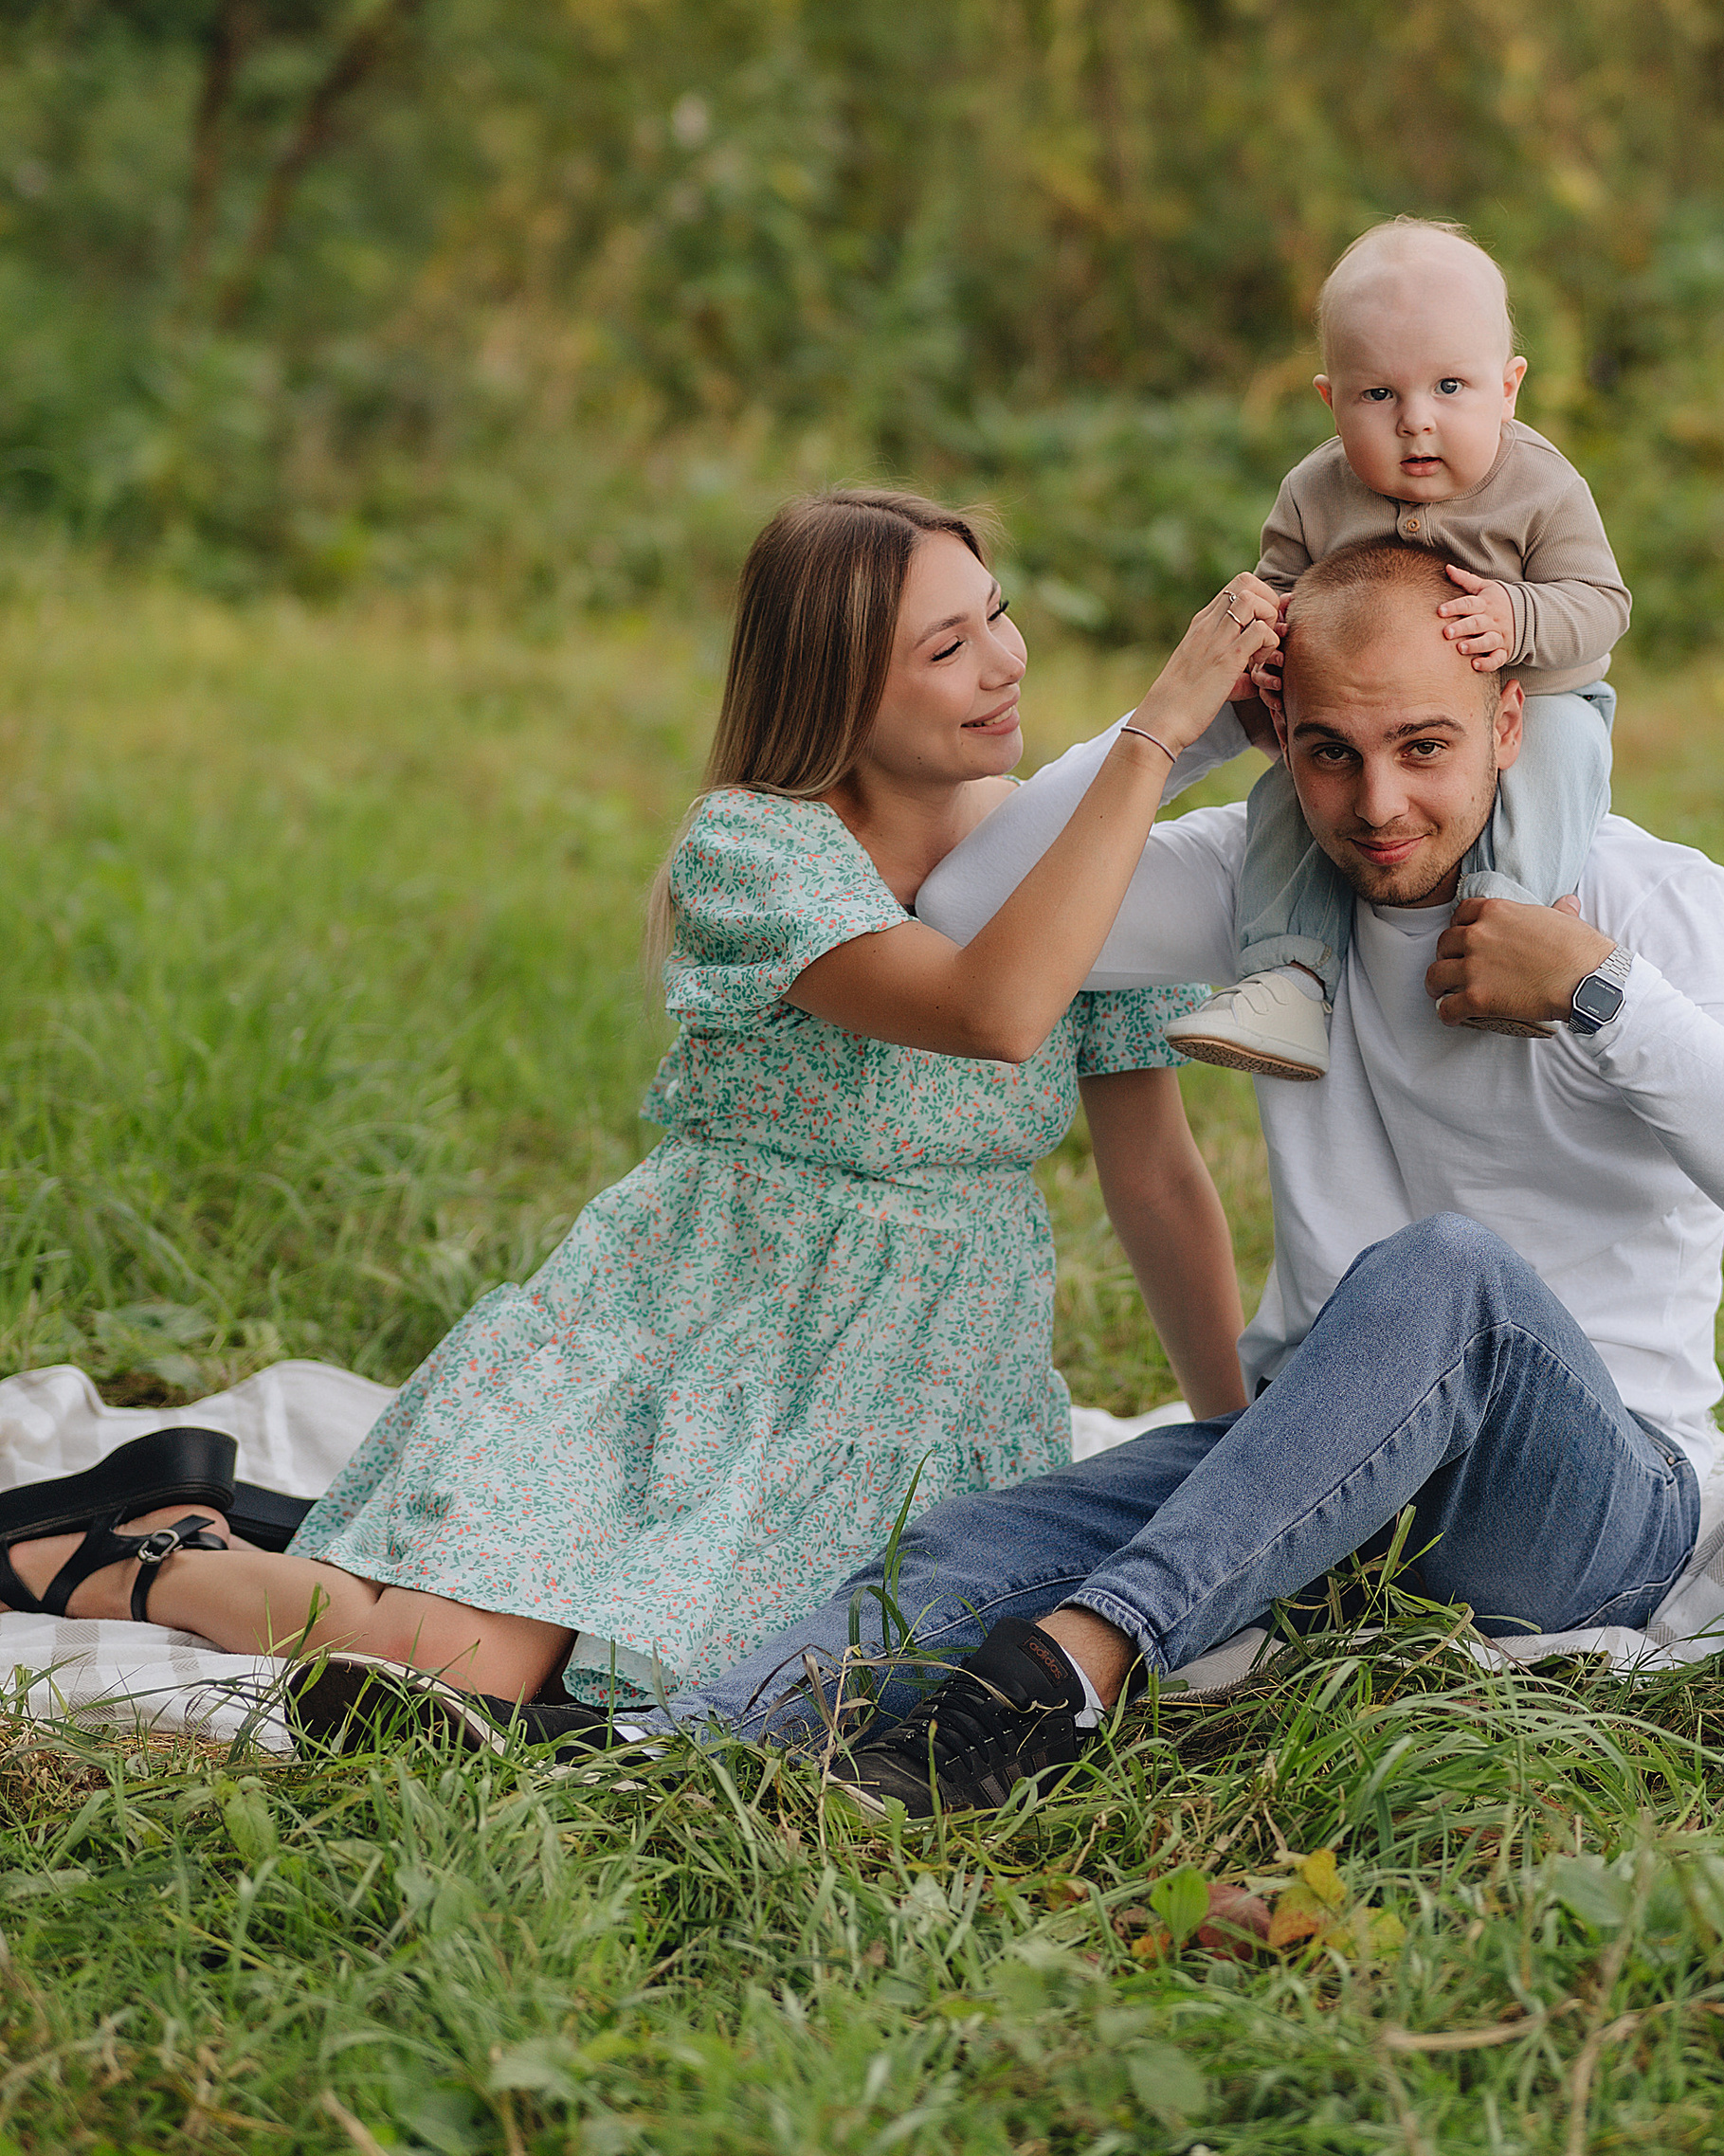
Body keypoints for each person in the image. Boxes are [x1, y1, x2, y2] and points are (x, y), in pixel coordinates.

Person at [636, 536, 1724, 1813]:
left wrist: (1598, 992)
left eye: (1425, 745)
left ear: (1512, 719)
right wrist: (1186, 731)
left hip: (1583, 1506)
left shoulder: (1652, 899)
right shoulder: (1262, 885)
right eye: (1330, 750)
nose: (1378, 802)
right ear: (1284, 732)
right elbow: (964, 899)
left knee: (1449, 1274)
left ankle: (1067, 1673)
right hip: (1324, 1470)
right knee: (981, 1539)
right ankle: (675, 1756)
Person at [0, 493, 1278, 1705]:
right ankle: (144, 1552)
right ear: (839, 689)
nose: (1004, 663)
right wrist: (1157, 734)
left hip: (916, 1388)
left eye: (998, 615)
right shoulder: (758, 848)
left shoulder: (1068, 855)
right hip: (694, 1355)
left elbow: (1157, 1173)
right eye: (948, 646)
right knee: (459, 1661)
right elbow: (988, 1011)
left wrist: (1237, 1448)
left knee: (830, 1688)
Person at [1167, 218, 1630, 1083]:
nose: (1416, 422)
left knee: (1560, 757)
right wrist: (1270, 649)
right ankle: (1289, 975)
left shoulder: (1541, 487)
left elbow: (1603, 604)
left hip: (1538, 702)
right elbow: (1277, 594)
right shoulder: (1313, 491)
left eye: (1450, 386)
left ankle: (1511, 922)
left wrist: (1522, 618)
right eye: (1378, 395)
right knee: (1283, 802)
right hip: (1356, 724)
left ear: (1508, 388)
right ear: (1330, 399)